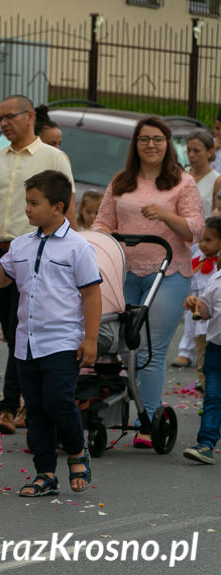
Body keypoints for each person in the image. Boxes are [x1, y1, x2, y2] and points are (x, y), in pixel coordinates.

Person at [0, 170, 101, 496]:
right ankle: (45, 473)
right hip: (26, 343)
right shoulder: (21, 244)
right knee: (35, 408)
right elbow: (4, 280)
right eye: (26, 202)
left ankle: (77, 450)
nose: (28, 209)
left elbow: (91, 294)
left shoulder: (78, 248)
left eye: (34, 203)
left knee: (58, 399)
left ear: (58, 207)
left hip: (62, 341)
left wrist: (90, 338)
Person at [0, 94, 75, 435]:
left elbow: (67, 211)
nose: (3, 124)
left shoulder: (53, 157)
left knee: (20, 331)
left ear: (29, 117)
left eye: (9, 117)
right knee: (14, 332)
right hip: (0, 253)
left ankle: (10, 406)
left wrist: (66, 253)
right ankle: (26, 401)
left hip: (39, 253)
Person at [92, 116, 204, 448]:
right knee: (117, 346)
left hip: (168, 272)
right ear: (135, 144)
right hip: (124, 272)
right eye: (144, 139)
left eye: (157, 139)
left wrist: (166, 216)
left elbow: (195, 229)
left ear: (168, 144)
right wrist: (99, 236)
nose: (150, 145)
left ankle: (147, 420)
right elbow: (102, 221)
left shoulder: (182, 183)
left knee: (148, 350)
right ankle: (109, 411)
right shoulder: (121, 181)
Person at [183, 256, 221, 465]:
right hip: (216, 349)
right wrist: (196, 304)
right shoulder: (216, 280)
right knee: (213, 397)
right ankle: (206, 443)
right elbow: (206, 312)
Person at [172, 219, 221, 381]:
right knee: (202, 357)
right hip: (198, 313)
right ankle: (205, 390)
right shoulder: (197, 259)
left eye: (209, 240)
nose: (203, 244)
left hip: (216, 320)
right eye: (200, 240)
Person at [183, 130, 221, 225]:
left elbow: (216, 218)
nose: (191, 155)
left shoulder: (216, 180)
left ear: (209, 152)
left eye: (196, 151)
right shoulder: (182, 173)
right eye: (188, 150)